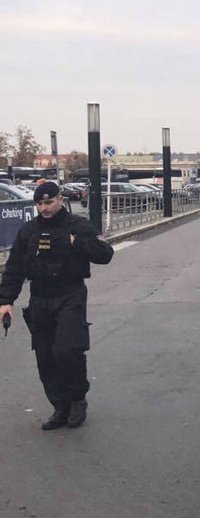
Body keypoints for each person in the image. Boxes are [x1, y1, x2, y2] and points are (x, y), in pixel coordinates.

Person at [0, 182, 114, 430]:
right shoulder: (28, 231)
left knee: (67, 350)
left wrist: (75, 242)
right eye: (39, 204)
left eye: (49, 202)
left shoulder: (78, 226)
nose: (44, 208)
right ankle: (59, 407)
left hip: (69, 294)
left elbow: (105, 254)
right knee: (45, 357)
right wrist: (5, 301)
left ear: (60, 200)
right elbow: (15, 268)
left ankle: (76, 399)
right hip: (40, 297)